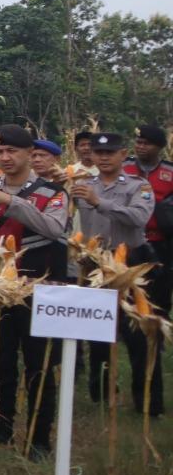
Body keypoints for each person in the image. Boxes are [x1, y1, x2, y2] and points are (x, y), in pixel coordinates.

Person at [0, 124, 70, 458]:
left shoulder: (53, 193)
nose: (5, 158)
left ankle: (38, 438)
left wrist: (11, 202)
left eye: (12, 151)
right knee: (1, 362)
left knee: (38, 365)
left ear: (30, 154)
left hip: (38, 289)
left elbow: (54, 228)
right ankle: (1, 428)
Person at [74, 132, 160, 412]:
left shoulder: (138, 186)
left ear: (123, 155)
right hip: (96, 263)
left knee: (138, 330)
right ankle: (101, 396)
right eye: (98, 153)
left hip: (130, 262)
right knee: (98, 328)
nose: (103, 158)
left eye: (110, 153)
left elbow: (139, 217)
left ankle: (147, 401)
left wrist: (99, 202)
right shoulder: (83, 185)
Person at [133, 125, 173, 411]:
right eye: (138, 142)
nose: (141, 146)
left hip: (161, 248)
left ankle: (153, 394)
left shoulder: (169, 173)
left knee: (156, 311)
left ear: (159, 147)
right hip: (130, 247)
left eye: (147, 143)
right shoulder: (124, 169)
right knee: (131, 314)